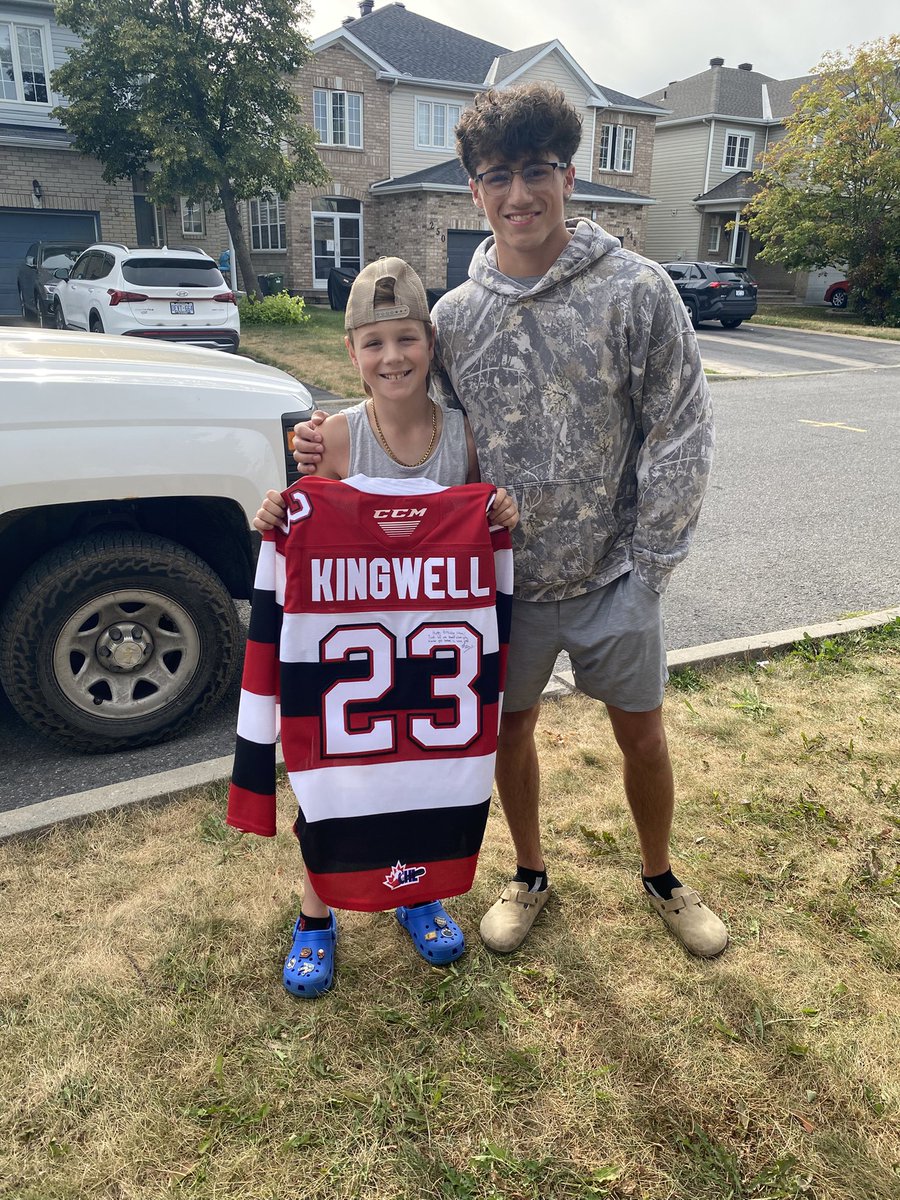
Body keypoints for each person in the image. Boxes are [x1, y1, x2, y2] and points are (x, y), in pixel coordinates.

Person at [291, 83, 727, 960]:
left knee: (642, 731)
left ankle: (662, 876)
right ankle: (528, 873)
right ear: (474, 188)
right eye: (498, 176)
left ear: (569, 176)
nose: (519, 194)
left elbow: (681, 429)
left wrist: (650, 569)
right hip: (495, 590)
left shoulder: (637, 293)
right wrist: (327, 438)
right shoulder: (454, 317)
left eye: (537, 172)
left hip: (613, 578)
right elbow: (412, 418)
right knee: (506, 732)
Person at [241, 256, 519, 998]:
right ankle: (316, 912)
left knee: (422, 774)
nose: (392, 357)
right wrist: (277, 513)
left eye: (406, 339)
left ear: (429, 341)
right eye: (374, 343)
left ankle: (415, 890)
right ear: (352, 353)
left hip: (430, 654)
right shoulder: (332, 440)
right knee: (338, 785)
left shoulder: (462, 438)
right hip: (352, 652)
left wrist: (499, 517)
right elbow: (304, 527)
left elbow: (479, 524)